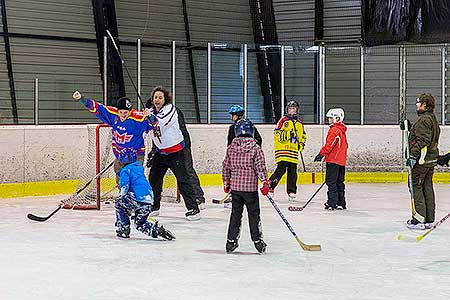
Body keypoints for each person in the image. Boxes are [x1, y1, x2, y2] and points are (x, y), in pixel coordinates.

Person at [144, 86, 201, 221]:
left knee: (183, 180)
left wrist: (149, 116)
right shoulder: (151, 112)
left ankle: (193, 209)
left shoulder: (170, 110)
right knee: (154, 180)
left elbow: (161, 123)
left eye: (160, 97)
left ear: (165, 99)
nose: (157, 100)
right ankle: (154, 206)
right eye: (155, 97)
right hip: (160, 153)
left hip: (176, 152)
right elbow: (145, 127)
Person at [72, 91, 152, 177]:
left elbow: (154, 125)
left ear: (130, 111)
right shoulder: (113, 115)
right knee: (121, 182)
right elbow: (98, 108)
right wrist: (82, 99)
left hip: (137, 155)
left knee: (136, 180)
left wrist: (150, 116)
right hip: (120, 156)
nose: (123, 115)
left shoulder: (139, 118)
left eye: (126, 113)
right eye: (120, 112)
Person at [222, 119, 270, 254]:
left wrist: (226, 182)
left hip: (236, 190)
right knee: (254, 215)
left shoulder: (231, 148)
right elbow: (260, 167)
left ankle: (230, 242)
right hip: (250, 190)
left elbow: (226, 166)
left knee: (235, 215)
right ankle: (257, 241)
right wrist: (265, 182)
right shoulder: (255, 148)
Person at [114, 148, 175, 240]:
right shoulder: (138, 169)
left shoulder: (126, 171)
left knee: (119, 203)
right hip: (149, 200)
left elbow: (124, 188)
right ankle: (157, 230)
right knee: (140, 224)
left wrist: (121, 197)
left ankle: (123, 228)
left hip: (137, 199)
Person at [404, 93, 440, 230]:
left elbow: (422, 141)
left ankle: (418, 220)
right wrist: (410, 127)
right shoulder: (431, 119)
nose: (417, 104)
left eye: (419, 102)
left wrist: (413, 156)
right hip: (430, 159)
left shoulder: (424, 120)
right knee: (427, 187)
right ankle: (429, 220)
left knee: (415, 185)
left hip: (421, 160)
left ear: (425, 104)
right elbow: (424, 135)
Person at [224, 104, 263, 208]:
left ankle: (237, 196)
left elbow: (258, 139)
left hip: (241, 158)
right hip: (239, 158)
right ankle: (235, 195)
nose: (231, 117)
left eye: (233, 115)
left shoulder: (245, 127)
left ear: (237, 115)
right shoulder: (244, 126)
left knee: (238, 177)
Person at [268, 100, 306, 202]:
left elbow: (303, 136)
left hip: (293, 152)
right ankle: (270, 186)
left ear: (297, 110)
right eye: (290, 109)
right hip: (283, 150)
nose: (292, 111)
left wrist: (301, 145)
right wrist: (289, 135)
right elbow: (277, 134)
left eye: (293, 109)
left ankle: (291, 191)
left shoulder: (299, 123)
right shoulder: (283, 121)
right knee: (281, 169)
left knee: (293, 172)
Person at [314, 108, 348, 210]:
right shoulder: (342, 131)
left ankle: (331, 203)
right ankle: (341, 203)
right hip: (341, 162)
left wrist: (321, 154)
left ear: (337, 118)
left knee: (331, 182)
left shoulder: (334, 130)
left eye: (331, 118)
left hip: (333, 161)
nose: (329, 120)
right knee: (339, 182)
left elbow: (329, 145)